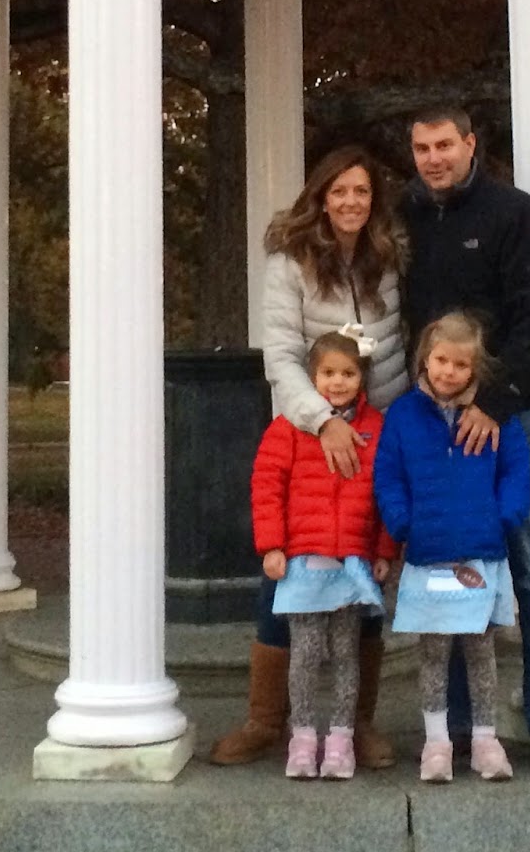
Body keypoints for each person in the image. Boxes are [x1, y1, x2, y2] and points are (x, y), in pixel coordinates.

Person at [211, 143, 410, 769]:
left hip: (374, 433)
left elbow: (396, 346)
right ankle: (266, 720)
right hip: (306, 433)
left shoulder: (387, 257)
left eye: (361, 191)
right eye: (339, 190)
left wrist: (381, 428)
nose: (351, 202)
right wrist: (323, 421)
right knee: (286, 579)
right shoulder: (291, 260)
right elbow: (280, 353)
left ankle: (358, 724)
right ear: (321, 197)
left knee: (364, 576)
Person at [400, 106, 530, 780]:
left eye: (444, 145)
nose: (434, 158)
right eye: (422, 148)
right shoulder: (410, 218)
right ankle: (454, 732)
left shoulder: (517, 216)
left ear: (471, 144)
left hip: (514, 419)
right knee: (449, 573)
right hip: (437, 424)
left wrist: (492, 403)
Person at [375, 311, 530, 782]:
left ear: (474, 369)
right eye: (441, 360)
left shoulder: (493, 415)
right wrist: (402, 522)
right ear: (426, 357)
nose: (449, 372)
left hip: (479, 552)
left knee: (481, 652)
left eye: (461, 365)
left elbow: (515, 469)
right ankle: (437, 742)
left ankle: (485, 740)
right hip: (429, 555)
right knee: (434, 654)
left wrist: (503, 516)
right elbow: (388, 474)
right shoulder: (403, 415)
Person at [250, 332, 396, 780]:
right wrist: (272, 545)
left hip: (351, 562)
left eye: (348, 373)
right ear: (313, 377)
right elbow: (267, 488)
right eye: (328, 372)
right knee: (306, 653)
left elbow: (387, 494)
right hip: (301, 562)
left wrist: (384, 550)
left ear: (362, 377)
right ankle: (302, 737)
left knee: (347, 653)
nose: (338, 382)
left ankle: (341, 739)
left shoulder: (377, 428)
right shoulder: (289, 427)